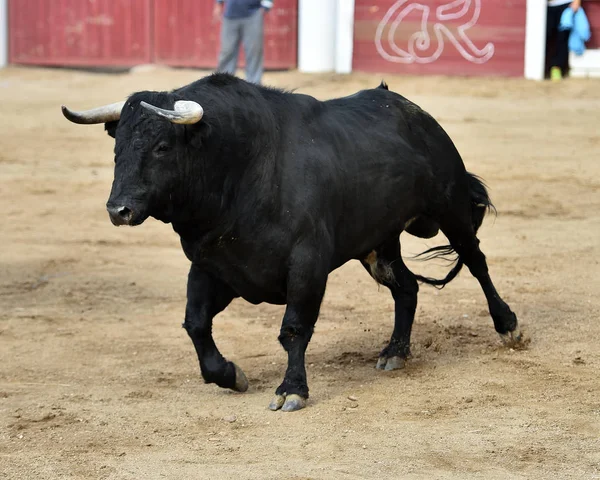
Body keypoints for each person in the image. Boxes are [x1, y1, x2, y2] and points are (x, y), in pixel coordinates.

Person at [213, 0, 273, 84]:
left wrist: (266, 7)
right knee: (227, 51)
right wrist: (218, 4)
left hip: (253, 14)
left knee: (254, 52)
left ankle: (254, 86)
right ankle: (224, 85)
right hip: (230, 15)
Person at [547, 0, 581, 81]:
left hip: (565, 4)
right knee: (547, 36)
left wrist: (577, 1)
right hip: (546, 5)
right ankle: (548, 68)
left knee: (562, 38)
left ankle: (557, 68)